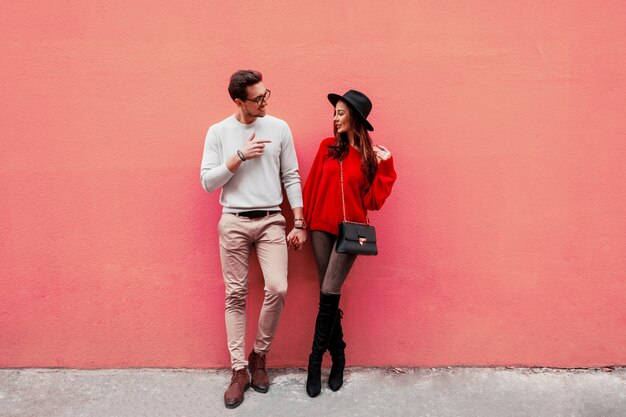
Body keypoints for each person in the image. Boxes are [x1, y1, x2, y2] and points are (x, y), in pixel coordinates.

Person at [200, 70, 307, 409]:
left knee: (278, 287)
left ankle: (259, 355)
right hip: (232, 220)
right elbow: (207, 182)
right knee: (236, 295)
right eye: (257, 98)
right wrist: (239, 157)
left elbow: (291, 176)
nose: (264, 102)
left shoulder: (279, 128)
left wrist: (299, 220)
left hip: (271, 220)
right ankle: (239, 370)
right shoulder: (218, 132)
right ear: (239, 101)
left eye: (265, 95)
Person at [300, 90, 397, 397]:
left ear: (354, 117)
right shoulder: (327, 147)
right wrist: (301, 224)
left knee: (329, 293)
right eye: (335, 112)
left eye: (341, 113)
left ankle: (315, 362)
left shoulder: (369, 157)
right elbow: (312, 184)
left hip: (351, 233)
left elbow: (372, 201)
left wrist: (387, 167)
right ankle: (338, 357)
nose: (335, 118)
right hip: (319, 228)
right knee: (327, 295)